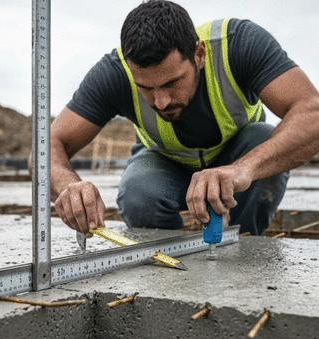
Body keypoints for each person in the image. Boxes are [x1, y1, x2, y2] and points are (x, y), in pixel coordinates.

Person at [45, 0, 319, 237]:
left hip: (238, 156)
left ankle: (246, 242)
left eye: (171, 83)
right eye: (146, 88)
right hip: (166, 162)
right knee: (139, 193)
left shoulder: (239, 44)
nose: (160, 101)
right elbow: (49, 144)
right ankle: (166, 261)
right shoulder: (113, 73)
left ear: (198, 54)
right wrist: (67, 185)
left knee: (263, 138)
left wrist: (242, 169)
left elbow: (312, 113)